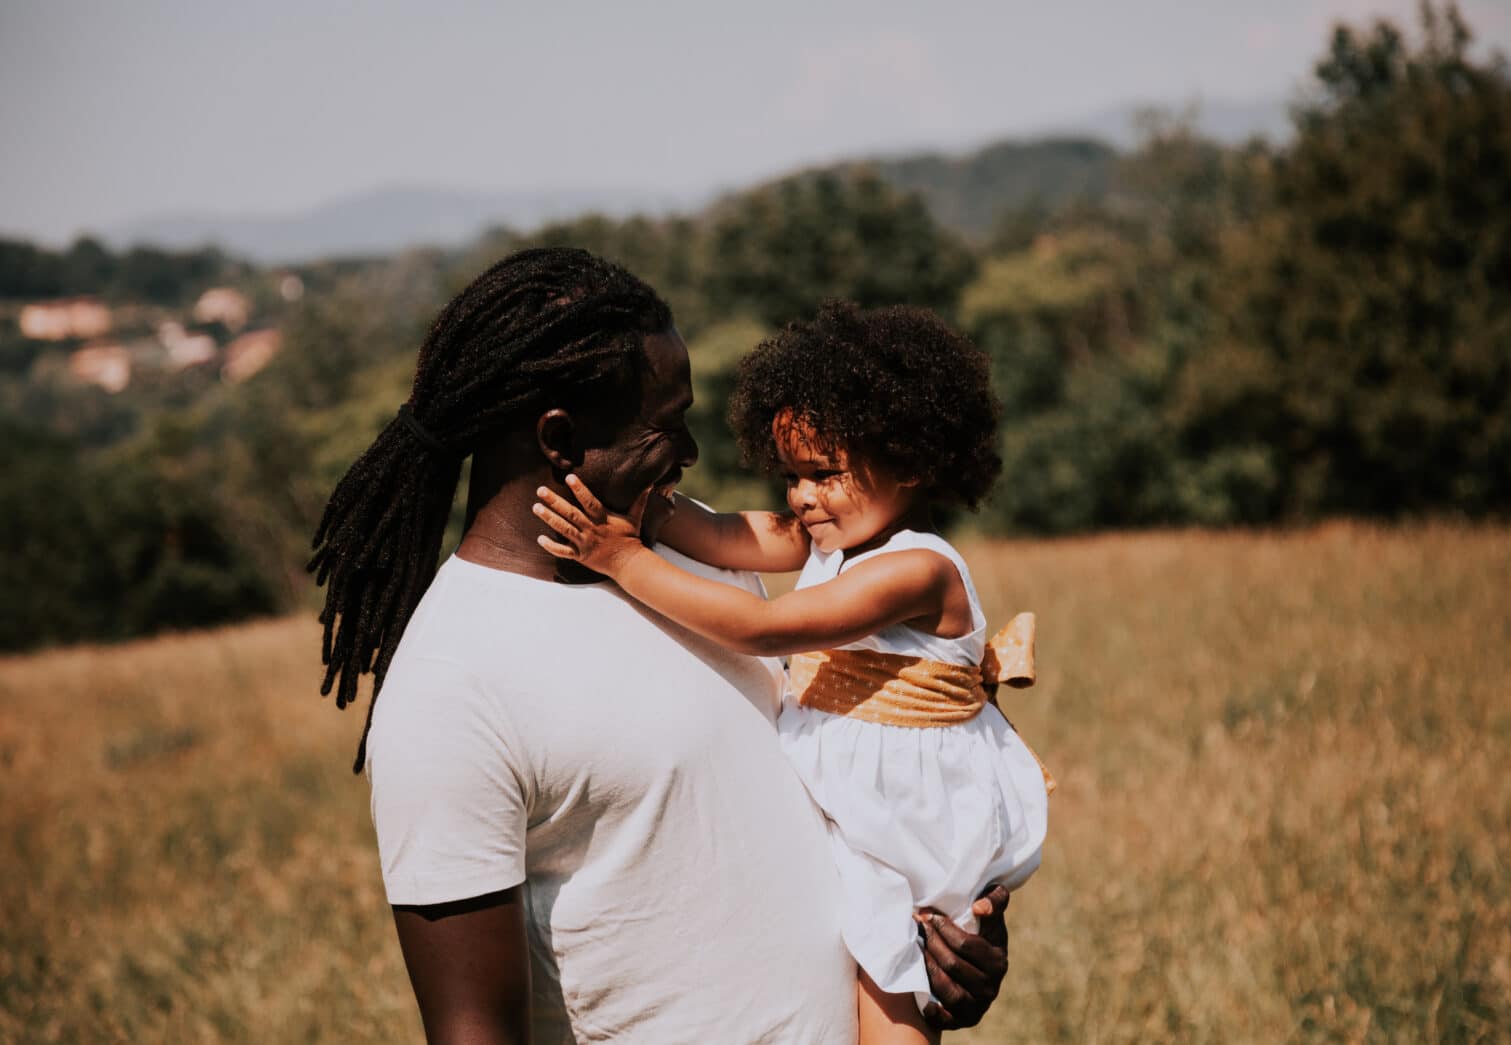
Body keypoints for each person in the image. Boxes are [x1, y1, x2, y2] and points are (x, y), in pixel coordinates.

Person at [309, 249, 1014, 1043]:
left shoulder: (691, 557)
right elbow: (474, 1031)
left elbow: (862, 772)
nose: (692, 451)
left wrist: (945, 937)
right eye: (666, 423)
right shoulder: (452, 682)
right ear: (560, 439)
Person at [531, 301, 1052, 1044]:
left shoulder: (917, 569)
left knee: (893, 1003)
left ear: (907, 461)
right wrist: (643, 508)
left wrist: (619, 558)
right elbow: (721, 534)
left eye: (824, 474)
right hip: (861, 811)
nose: (802, 498)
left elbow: (763, 627)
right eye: (791, 476)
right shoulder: (833, 535)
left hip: (909, 825)